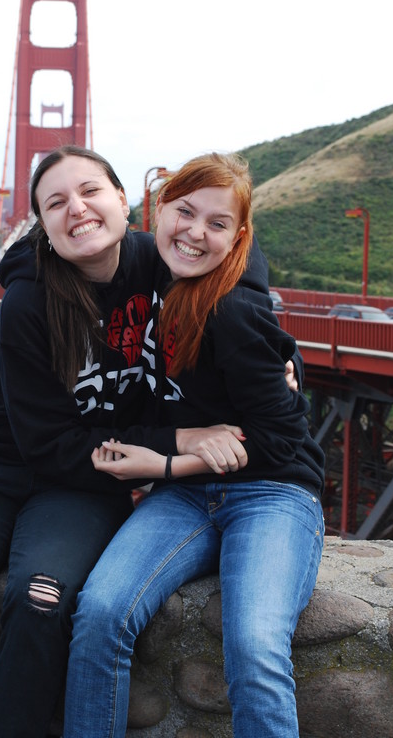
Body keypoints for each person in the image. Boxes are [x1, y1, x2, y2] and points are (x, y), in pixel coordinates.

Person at [0, 145, 250, 738]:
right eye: (55, 203)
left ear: (123, 200)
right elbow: (50, 446)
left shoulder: (159, 259)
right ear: (43, 225)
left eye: (90, 191)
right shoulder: (27, 304)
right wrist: (179, 437)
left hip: (84, 484)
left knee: (41, 601)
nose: (77, 209)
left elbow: (234, 254)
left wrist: (282, 360)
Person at [63, 152, 325, 738]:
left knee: (255, 644)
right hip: (186, 497)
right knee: (101, 612)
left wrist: (167, 462)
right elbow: (34, 258)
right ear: (160, 209)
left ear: (237, 237)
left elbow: (282, 439)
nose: (195, 233)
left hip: (270, 492)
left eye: (217, 224)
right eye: (185, 212)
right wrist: (288, 363)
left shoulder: (232, 308)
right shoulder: (152, 265)